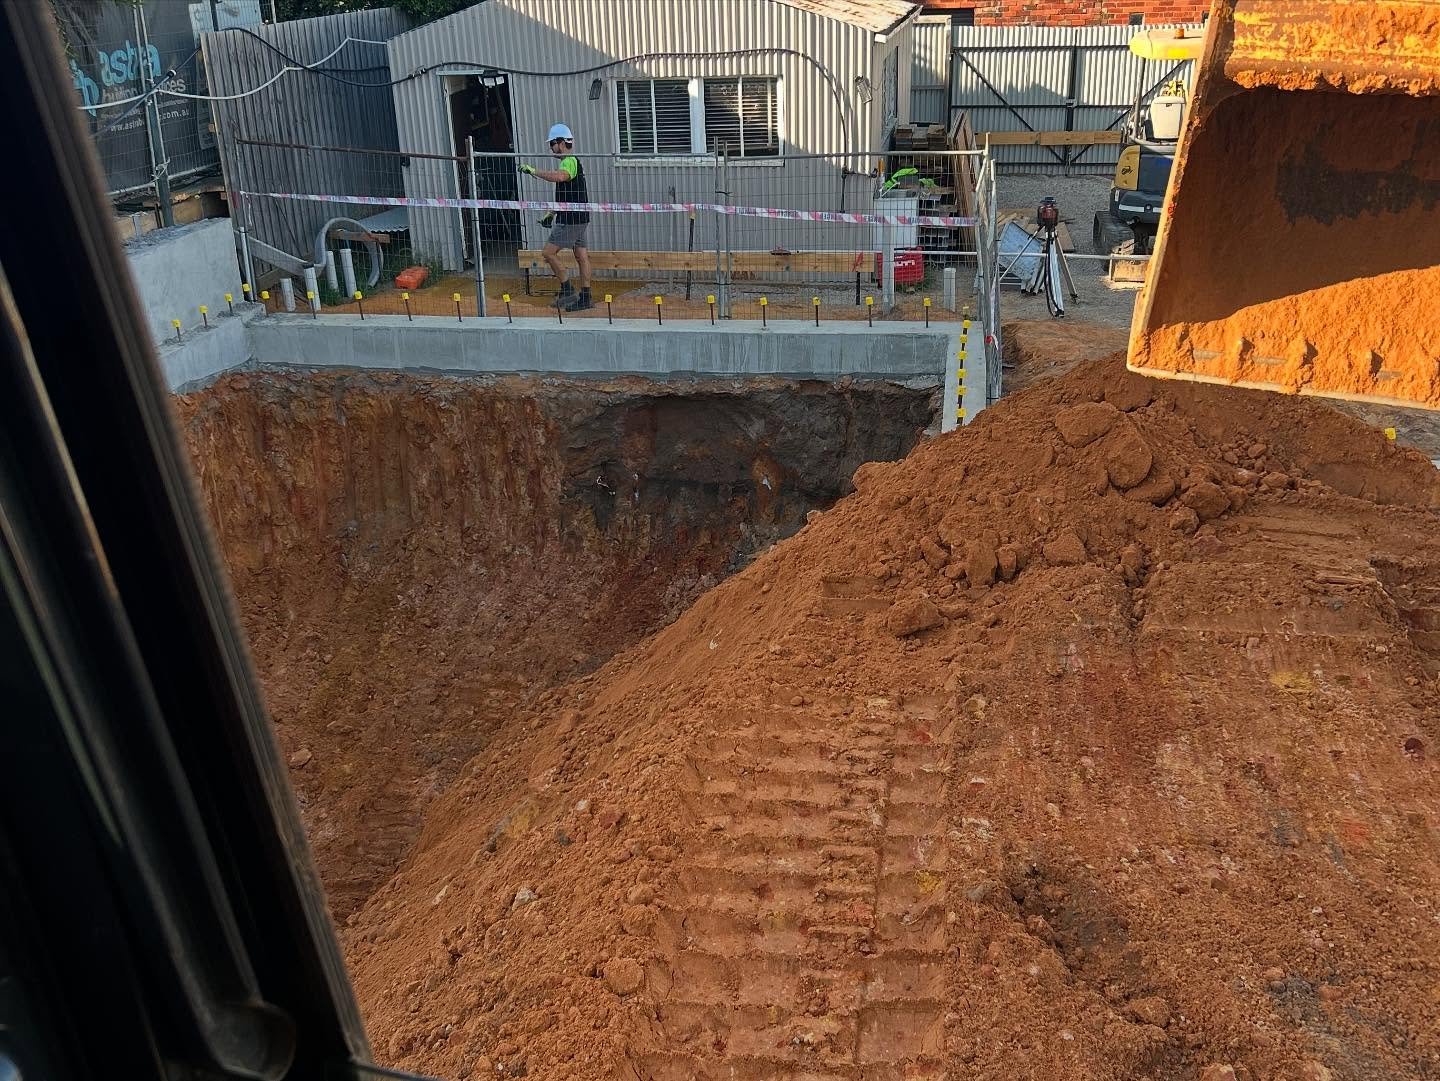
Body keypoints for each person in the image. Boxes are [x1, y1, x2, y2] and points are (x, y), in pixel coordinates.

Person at [520, 123, 592, 311]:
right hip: (580, 217)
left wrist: (534, 171)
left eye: (552, 143)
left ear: (560, 143)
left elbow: (560, 177)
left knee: (548, 253)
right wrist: (551, 213)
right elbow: (569, 194)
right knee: (581, 255)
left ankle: (568, 290)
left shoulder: (568, 161)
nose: (551, 148)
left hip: (570, 220)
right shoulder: (572, 161)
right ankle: (586, 297)